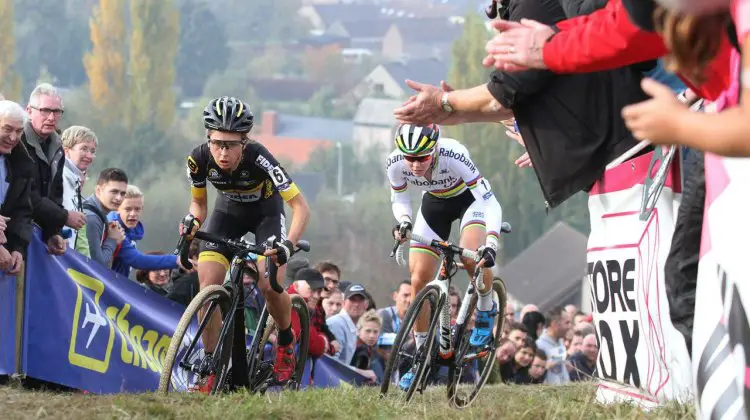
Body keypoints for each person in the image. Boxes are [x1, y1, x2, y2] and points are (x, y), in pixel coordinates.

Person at [182, 96, 310, 392]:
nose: (223, 152)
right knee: (209, 288)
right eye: (217, 143)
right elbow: (198, 205)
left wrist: (288, 245)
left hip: (265, 215)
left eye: (231, 144)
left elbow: (300, 207)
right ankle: (211, 365)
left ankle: (286, 342)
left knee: (269, 285)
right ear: (208, 138)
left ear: (245, 141)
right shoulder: (198, 159)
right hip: (227, 214)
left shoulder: (260, 157)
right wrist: (191, 222)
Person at [386, 123, 503, 391]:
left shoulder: (455, 155)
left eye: (421, 159)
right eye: (410, 158)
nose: (414, 165)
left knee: (472, 255)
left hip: (470, 201)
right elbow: (399, 198)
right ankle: (421, 356)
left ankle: (485, 308)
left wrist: (492, 244)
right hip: (434, 204)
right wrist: (403, 221)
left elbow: (489, 201)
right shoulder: (395, 162)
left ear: (435, 149)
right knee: (418, 279)